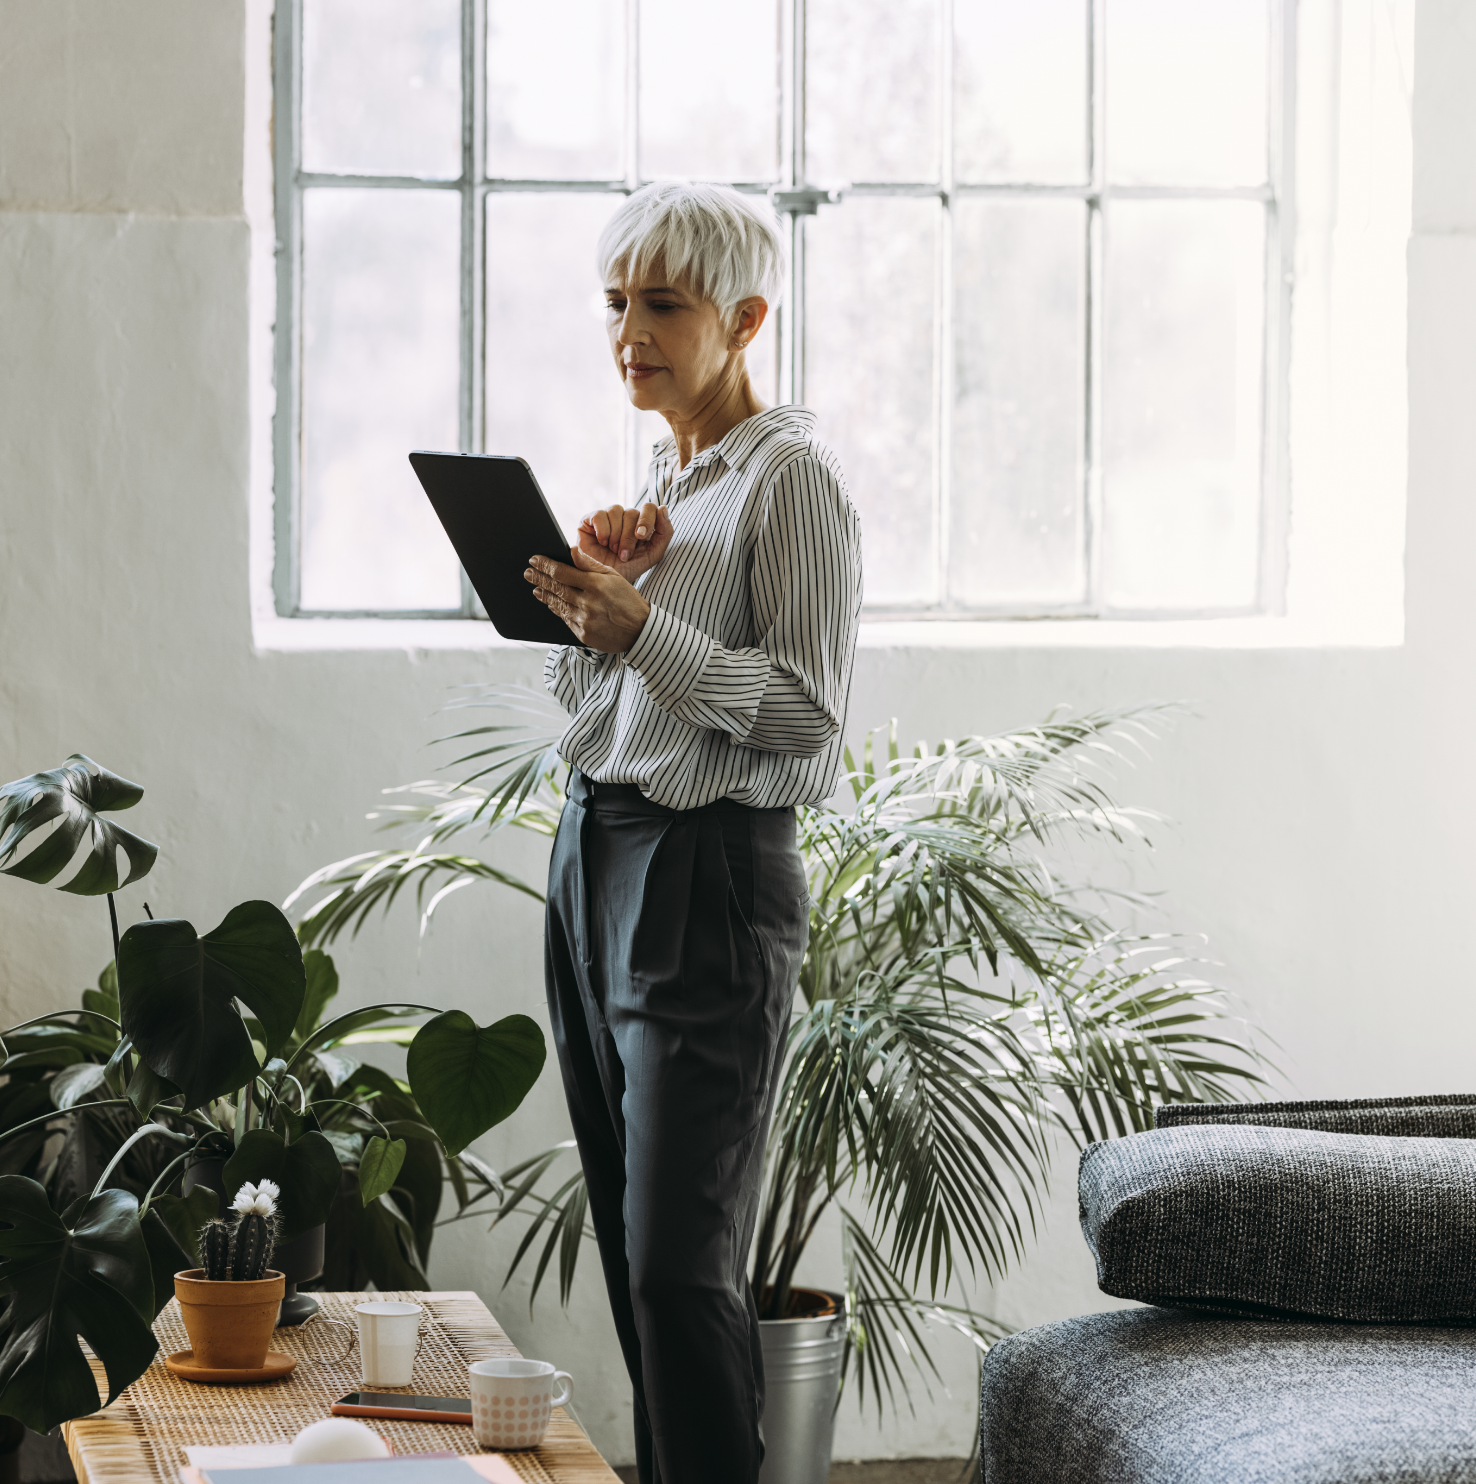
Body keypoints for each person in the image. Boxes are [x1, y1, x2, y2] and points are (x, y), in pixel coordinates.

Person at [524, 180, 862, 1484]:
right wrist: (593, 606)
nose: (630, 333)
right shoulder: (670, 489)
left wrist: (644, 627)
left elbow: (808, 714)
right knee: (629, 1245)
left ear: (747, 318)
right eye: (617, 304)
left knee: (681, 1266)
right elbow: (606, 702)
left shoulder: (794, 483)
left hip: (706, 870)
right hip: (596, 855)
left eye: (663, 304)